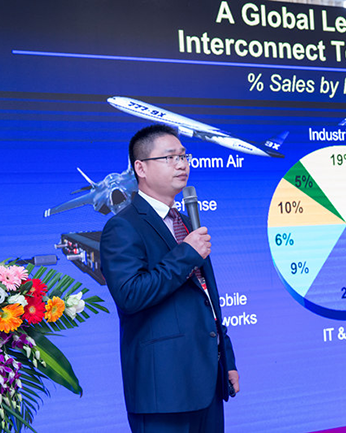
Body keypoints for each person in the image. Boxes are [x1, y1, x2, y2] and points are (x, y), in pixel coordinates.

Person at [100, 124, 239, 432]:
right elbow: (130, 294)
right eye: (170, 157)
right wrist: (186, 254)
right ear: (140, 168)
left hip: (207, 380)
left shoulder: (186, 221)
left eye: (183, 156)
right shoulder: (123, 227)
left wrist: (226, 359)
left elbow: (206, 296)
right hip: (162, 389)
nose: (181, 164)